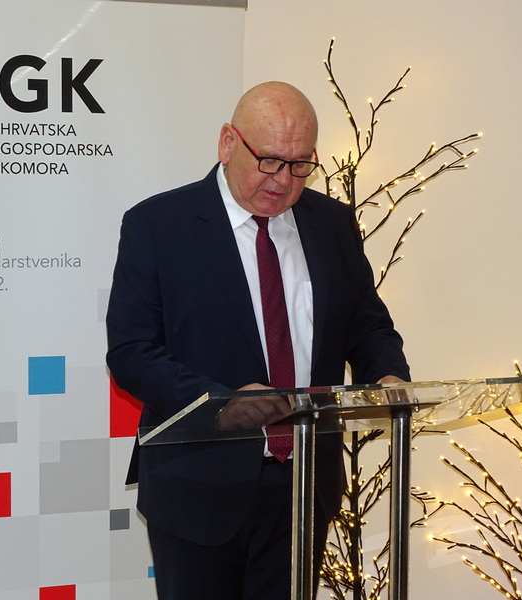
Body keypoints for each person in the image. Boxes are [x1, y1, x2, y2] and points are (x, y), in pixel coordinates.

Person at [106, 81, 410, 600]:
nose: (284, 180)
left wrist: (386, 374)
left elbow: (366, 323)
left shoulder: (332, 223)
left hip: (305, 483)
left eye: (300, 164)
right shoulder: (158, 226)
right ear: (228, 143)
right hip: (199, 485)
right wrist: (221, 403)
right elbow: (132, 352)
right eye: (269, 161)